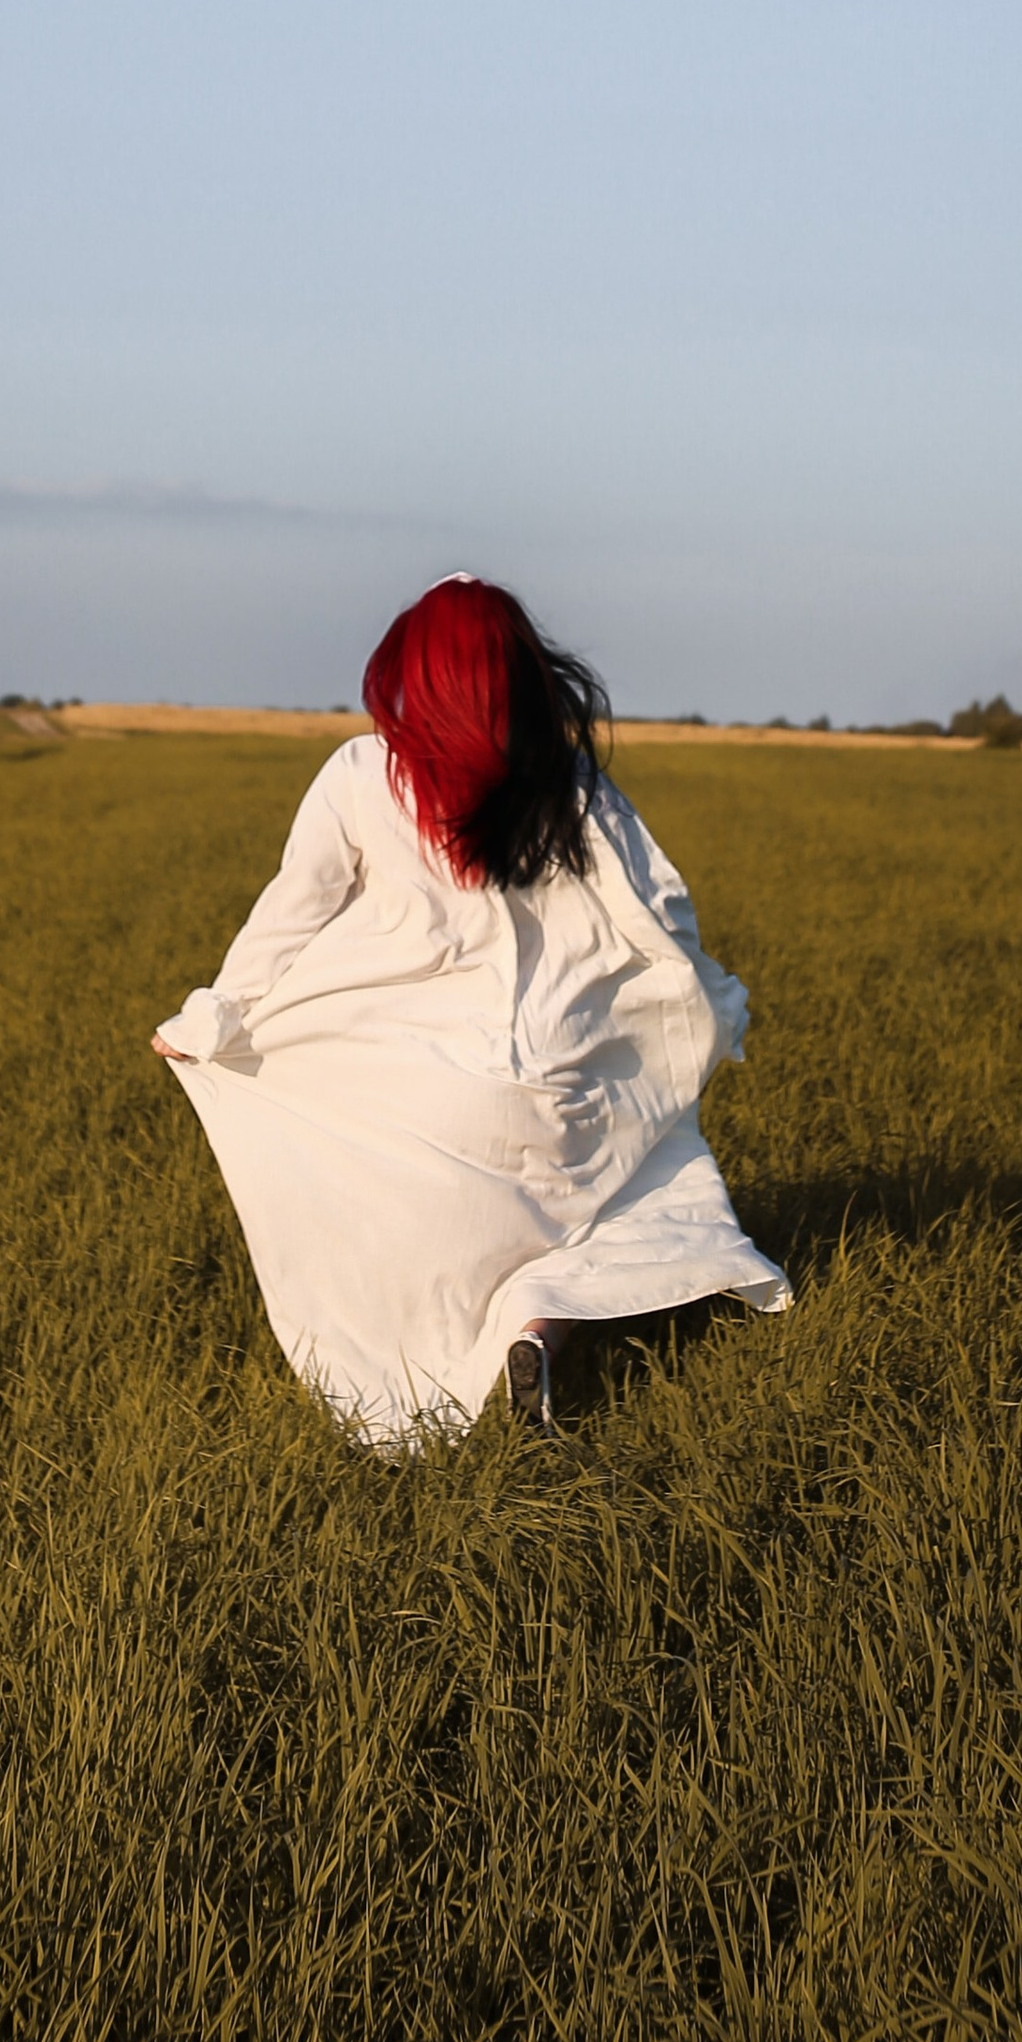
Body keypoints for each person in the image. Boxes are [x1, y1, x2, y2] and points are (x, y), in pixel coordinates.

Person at [153, 575, 792, 1442]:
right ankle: (532, 1335)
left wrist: (212, 1019)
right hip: (556, 1083)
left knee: (422, 1237)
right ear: (520, 673)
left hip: (417, 1082)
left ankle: (442, 1366)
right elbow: (659, 914)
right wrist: (707, 1006)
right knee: (638, 1174)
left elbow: (289, 916)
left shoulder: (360, 774)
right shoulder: (568, 782)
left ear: (412, 669)